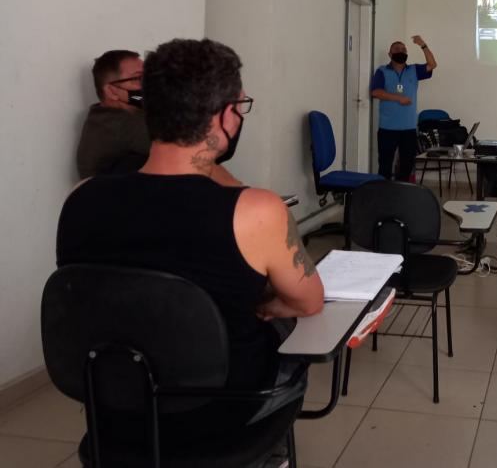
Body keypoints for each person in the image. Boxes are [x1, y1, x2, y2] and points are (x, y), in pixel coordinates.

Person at [58, 38, 324, 436]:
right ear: (223, 117)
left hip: (116, 411)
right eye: (240, 106)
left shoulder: (80, 199)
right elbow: (308, 302)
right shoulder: (257, 211)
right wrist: (268, 304)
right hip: (221, 413)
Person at [370, 36, 437, 180]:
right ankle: (384, 194)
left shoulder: (414, 70)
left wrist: (423, 45)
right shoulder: (382, 71)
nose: (401, 51)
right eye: (397, 49)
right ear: (390, 54)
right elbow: (375, 92)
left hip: (409, 128)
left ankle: (401, 194)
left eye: (403, 49)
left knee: (407, 165)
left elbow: (432, 64)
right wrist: (398, 98)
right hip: (387, 128)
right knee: (385, 165)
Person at [76, 49, 149, 178]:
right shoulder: (123, 124)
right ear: (112, 91)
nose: (149, 84)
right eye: (138, 78)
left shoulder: (103, 113)